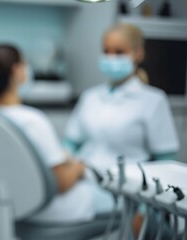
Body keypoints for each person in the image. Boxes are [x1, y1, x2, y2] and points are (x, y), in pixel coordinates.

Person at [64, 23, 180, 237]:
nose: (111, 58)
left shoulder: (153, 100)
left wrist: (145, 209)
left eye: (119, 52)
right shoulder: (91, 97)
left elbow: (165, 162)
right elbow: (70, 143)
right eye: (106, 51)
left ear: (138, 54)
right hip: (83, 182)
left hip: (124, 195)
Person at [0, 43, 99, 224]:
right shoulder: (32, 120)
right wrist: (79, 168)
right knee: (125, 200)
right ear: (17, 71)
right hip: (49, 209)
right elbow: (61, 183)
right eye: (25, 64)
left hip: (16, 207)